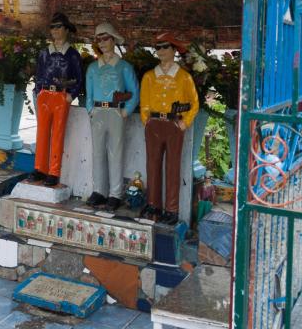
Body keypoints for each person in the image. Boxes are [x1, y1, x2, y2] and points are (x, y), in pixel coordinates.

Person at [139, 32, 199, 225]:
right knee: (152, 164)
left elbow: (194, 102)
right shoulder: (149, 77)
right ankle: (153, 203)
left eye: (165, 47)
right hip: (155, 124)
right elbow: (144, 102)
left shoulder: (184, 77)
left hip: (174, 124)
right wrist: (146, 120)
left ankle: (171, 209)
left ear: (174, 50)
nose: (161, 51)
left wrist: (185, 122)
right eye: (158, 47)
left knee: (173, 166)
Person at [85, 22, 139, 209]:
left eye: (105, 38)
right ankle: (99, 190)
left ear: (114, 39)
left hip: (116, 111)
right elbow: (89, 92)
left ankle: (115, 193)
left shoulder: (124, 67)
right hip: (98, 111)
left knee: (115, 152)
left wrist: (126, 110)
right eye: (98, 39)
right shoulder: (93, 68)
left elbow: (134, 91)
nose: (102, 42)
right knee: (97, 151)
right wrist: (90, 108)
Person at [32, 12, 83, 186]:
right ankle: (40, 168)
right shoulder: (45, 53)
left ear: (66, 30)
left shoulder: (72, 55)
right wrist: (39, 91)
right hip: (45, 96)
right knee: (42, 132)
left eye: (58, 26)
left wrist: (71, 94)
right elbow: (38, 74)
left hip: (61, 97)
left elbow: (78, 78)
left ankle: (53, 171)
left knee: (58, 135)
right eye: (52, 27)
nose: (54, 30)